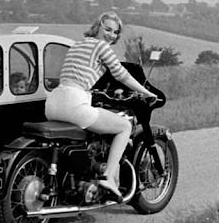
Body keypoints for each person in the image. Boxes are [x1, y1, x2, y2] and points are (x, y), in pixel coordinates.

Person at [45, 11, 157, 201]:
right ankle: (108, 178)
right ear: (98, 27)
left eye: (115, 32)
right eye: (107, 29)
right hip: (74, 102)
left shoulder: (77, 44)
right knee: (124, 127)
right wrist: (146, 92)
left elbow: (81, 73)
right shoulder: (101, 47)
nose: (111, 35)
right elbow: (122, 75)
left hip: (54, 102)